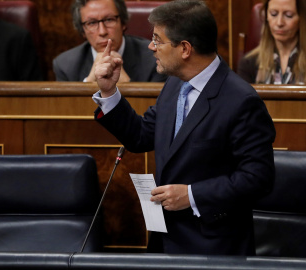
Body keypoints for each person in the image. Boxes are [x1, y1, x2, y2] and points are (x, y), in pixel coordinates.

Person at [92, 0, 275, 255]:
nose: (151, 46)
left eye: (157, 39)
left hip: (213, 249)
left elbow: (258, 179)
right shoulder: (175, 85)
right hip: (165, 243)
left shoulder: (241, 102)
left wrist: (191, 195)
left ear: (185, 49)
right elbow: (141, 136)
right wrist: (109, 91)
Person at [52, 0, 167, 83]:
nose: (102, 31)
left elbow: (158, 111)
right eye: (92, 23)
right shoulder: (65, 65)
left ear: (123, 23)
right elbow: (68, 112)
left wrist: (126, 84)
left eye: (109, 20)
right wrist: (89, 82)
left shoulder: (155, 58)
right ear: (82, 31)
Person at [237, 0, 306, 85]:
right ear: (266, 16)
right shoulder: (248, 63)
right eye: (273, 14)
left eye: (288, 15)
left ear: (303, 19)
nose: (279, 22)